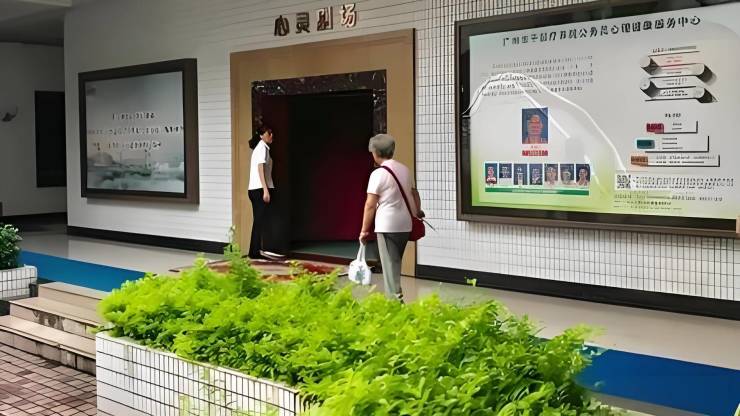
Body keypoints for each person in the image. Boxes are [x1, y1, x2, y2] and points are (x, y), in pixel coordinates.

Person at [359, 134, 422, 302]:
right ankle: (395, 299)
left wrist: (364, 231)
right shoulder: (404, 169)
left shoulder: (378, 174)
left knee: (390, 267)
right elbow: (415, 194)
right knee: (395, 263)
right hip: (405, 224)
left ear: (375, 152)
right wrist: (418, 212)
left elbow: (370, 205)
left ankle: (394, 303)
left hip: (387, 225)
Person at [247, 125, 283, 260]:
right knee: (260, 221)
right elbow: (260, 168)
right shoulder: (262, 148)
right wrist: (265, 190)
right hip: (259, 190)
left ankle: (256, 251)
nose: (272, 135)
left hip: (258, 189)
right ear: (262, 136)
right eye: (269, 133)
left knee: (260, 221)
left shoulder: (262, 148)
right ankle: (254, 252)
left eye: (272, 133)